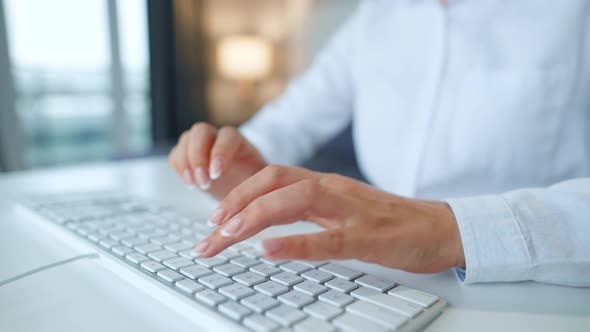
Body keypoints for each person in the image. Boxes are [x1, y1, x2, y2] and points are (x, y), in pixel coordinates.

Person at [168, 1, 590, 286]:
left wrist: (452, 230)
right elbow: (287, 124)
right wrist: (233, 166)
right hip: (379, 279)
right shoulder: (376, 15)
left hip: (534, 289)